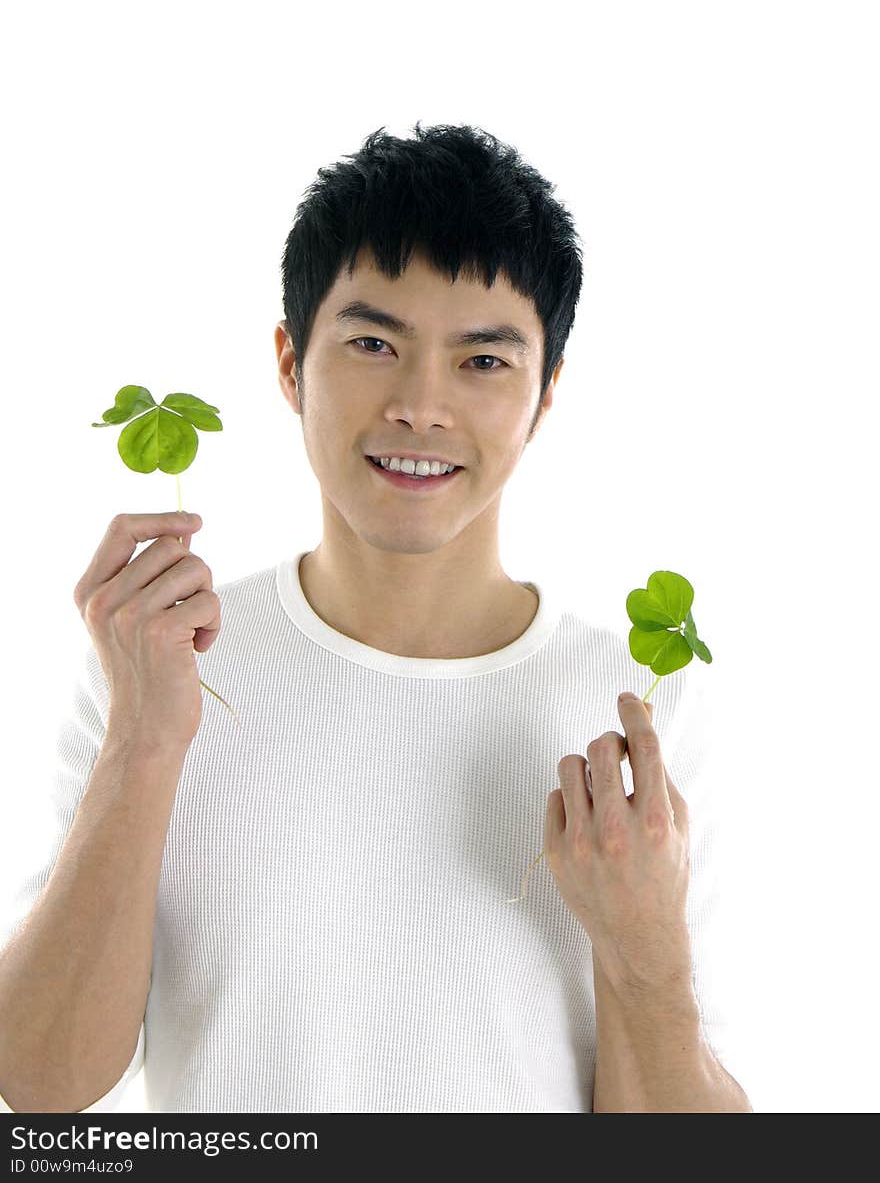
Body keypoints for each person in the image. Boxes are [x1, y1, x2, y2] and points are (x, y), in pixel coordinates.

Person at [0, 122, 748, 1112]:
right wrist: (145, 739)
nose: (420, 404)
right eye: (371, 343)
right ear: (288, 362)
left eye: (482, 362)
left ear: (544, 398)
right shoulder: (161, 660)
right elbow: (41, 1084)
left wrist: (644, 954)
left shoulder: (639, 709)